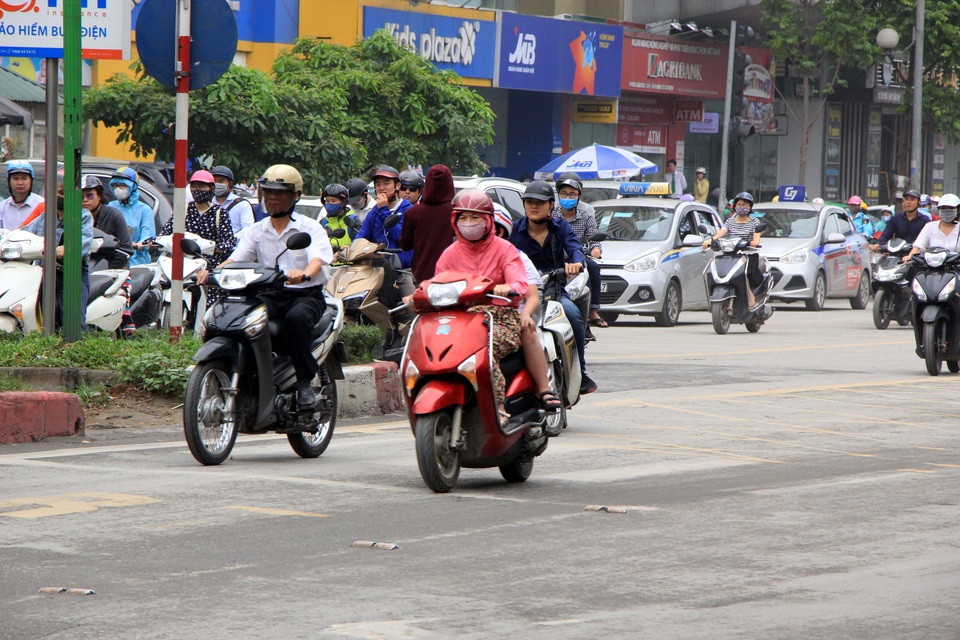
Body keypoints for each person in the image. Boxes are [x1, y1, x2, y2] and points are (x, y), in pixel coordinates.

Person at [199, 164, 333, 410]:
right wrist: (214, 271)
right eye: (268, 192)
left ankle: (304, 382)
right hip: (269, 294)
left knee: (296, 319)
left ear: (295, 196)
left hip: (304, 295)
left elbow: (317, 260)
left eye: (279, 192)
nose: (272, 197)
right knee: (236, 318)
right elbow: (238, 257)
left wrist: (303, 274)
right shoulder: (257, 230)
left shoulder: (309, 227)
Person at [434, 189, 529, 424]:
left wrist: (508, 287)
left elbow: (519, 280)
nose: (469, 223)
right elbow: (436, 283)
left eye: (475, 217)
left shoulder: (504, 249)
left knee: (482, 351)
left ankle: (497, 407)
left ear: (488, 220)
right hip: (459, 321)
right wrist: (418, 294)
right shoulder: (449, 253)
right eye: (463, 218)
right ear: (455, 221)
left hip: (499, 318)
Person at [510, 180, 597, 395]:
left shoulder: (561, 227)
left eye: (540, 202)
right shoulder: (513, 231)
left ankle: (581, 373)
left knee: (573, 316)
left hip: (554, 292)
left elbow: (575, 248)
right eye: (529, 201)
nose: (534, 206)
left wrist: (576, 263)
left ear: (551, 205)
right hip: (521, 295)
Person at [492, 204, 562, 412]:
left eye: (479, 223)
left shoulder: (516, 257)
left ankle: (544, 389)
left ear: (499, 230)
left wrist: (524, 314)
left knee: (527, 329)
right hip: (476, 317)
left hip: (511, 316)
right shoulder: (462, 253)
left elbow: (531, 296)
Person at [24, 172, 93, 330]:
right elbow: (24, 231)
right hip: (43, 274)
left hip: (71, 274)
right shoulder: (45, 216)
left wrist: (68, 248)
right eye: (56, 191)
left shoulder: (83, 216)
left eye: (62, 192)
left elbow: (83, 241)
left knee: (73, 324)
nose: (58, 196)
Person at [157, 170, 236, 303]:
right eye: (194, 186)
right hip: (183, 263)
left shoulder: (220, 213)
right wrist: (150, 242)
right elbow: (165, 233)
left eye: (202, 186)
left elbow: (228, 244)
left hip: (208, 266)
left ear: (211, 188)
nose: (198, 190)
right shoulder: (184, 210)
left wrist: (210, 248)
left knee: (212, 302)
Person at [354, 164, 414, 313]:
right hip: (375, 268)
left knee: (413, 307)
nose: (381, 188)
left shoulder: (408, 210)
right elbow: (362, 234)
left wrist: (383, 210)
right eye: (378, 184)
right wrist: (350, 249)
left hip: (402, 271)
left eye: (386, 183)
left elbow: (400, 235)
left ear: (397, 186)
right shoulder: (374, 211)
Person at [552, 171, 605, 332]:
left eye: (572, 194)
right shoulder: (551, 211)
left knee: (593, 269)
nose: (568, 197)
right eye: (564, 193)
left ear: (579, 195)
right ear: (558, 194)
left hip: (579, 255)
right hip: (556, 255)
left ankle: (593, 311)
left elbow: (593, 235)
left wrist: (596, 248)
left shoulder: (587, 211)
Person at [83, 175, 136, 334]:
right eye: (81, 196)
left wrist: (109, 270)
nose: (85, 200)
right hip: (83, 270)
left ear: (99, 196)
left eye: (90, 195)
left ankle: (127, 333)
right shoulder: (72, 216)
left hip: (114, 271)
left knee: (122, 304)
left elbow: (127, 249)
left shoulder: (115, 215)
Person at [701, 191, 763, 309]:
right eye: (739, 204)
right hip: (731, 255)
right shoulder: (730, 221)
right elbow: (721, 234)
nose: (742, 207)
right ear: (734, 206)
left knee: (745, 274)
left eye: (745, 204)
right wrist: (710, 241)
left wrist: (750, 243)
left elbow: (756, 241)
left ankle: (751, 300)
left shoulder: (755, 222)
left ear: (750, 207)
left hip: (748, 255)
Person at [399, 163, 455, 283]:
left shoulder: (413, 213)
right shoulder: (457, 213)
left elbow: (405, 245)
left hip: (422, 276)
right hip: (452, 277)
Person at [108, 167, 155, 266]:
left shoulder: (144, 210)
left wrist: (139, 245)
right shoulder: (111, 207)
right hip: (113, 261)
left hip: (137, 263)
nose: (118, 189)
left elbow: (148, 237)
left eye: (122, 185)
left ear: (133, 186)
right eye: (115, 185)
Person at [903, 193, 960, 262]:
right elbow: (918, 247)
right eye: (943, 208)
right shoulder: (930, 227)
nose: (946, 211)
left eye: (950, 208)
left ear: (958, 210)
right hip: (932, 268)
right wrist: (910, 256)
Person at [210, 165, 255, 239]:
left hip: (236, 248)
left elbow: (248, 229)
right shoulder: (208, 203)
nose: (217, 184)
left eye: (221, 181)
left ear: (230, 183)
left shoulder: (242, 204)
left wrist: (230, 238)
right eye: (214, 181)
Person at [0, 161, 42, 230]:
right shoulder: (2, 207)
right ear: (9, 181)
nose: (20, 183)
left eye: (24, 178)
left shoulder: (42, 204)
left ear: (31, 180)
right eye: (15, 178)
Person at [320, 182, 359, 255]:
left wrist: (347, 249)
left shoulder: (353, 221)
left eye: (333, 201)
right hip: (327, 264)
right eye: (327, 201)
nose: (329, 204)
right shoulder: (323, 222)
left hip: (347, 264)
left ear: (343, 202)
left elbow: (360, 244)